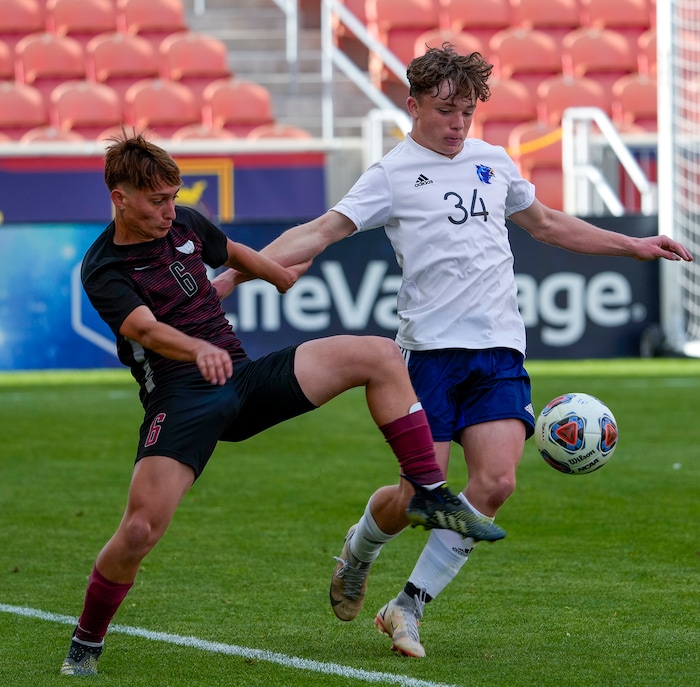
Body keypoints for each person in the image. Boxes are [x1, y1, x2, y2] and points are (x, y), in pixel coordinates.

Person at [211, 44, 693, 659]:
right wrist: (233, 274)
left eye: (467, 111)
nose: (458, 123)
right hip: (430, 357)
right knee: (416, 498)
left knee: (495, 481)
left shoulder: (493, 161)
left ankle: (407, 606)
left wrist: (634, 245)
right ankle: (357, 554)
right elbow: (316, 235)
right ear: (413, 105)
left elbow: (547, 224)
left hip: (498, 352)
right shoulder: (391, 174)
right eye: (445, 110)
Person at [59, 131, 507, 677]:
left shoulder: (186, 224)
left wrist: (277, 276)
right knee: (138, 531)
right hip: (180, 400)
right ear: (119, 196)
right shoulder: (103, 267)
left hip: (242, 380)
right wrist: (197, 347)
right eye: (157, 201)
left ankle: (427, 492)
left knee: (380, 355)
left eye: (173, 197)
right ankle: (86, 642)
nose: (168, 210)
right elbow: (144, 329)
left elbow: (230, 252)